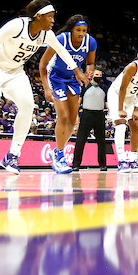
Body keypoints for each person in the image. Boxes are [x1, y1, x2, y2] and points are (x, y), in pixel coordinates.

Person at [0, 0, 85, 176]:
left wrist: (76, 70)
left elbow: (61, 50)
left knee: (28, 107)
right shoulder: (17, 25)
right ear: (38, 16)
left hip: (15, 72)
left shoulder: (46, 34)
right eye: (50, 17)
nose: (53, 21)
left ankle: (12, 156)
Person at [39, 15, 97, 171]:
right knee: (63, 116)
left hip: (73, 78)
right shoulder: (61, 39)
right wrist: (46, 88)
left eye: (84, 30)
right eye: (78, 30)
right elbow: (43, 63)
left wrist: (89, 73)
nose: (81, 33)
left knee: (73, 119)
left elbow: (90, 63)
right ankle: (59, 155)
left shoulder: (90, 42)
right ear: (71, 29)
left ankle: (57, 151)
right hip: (55, 77)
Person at [108, 48, 138, 173]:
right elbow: (122, 88)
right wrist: (120, 109)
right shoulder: (132, 67)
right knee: (121, 124)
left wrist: (136, 108)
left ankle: (133, 160)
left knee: (135, 126)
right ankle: (121, 161)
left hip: (130, 97)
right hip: (116, 94)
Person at [72, 73, 110, 171]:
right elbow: (78, 101)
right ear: (92, 75)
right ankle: (76, 164)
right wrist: (76, 115)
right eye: (97, 74)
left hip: (99, 115)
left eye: (100, 75)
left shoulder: (104, 87)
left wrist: (111, 111)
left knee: (101, 141)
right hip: (86, 114)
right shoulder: (86, 86)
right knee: (80, 140)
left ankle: (102, 164)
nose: (99, 76)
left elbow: (106, 102)